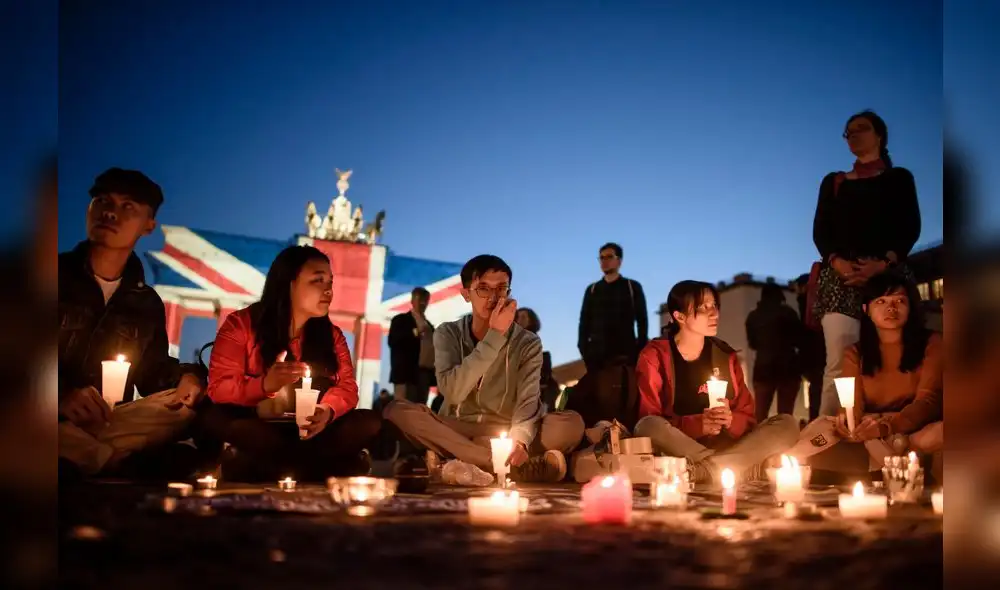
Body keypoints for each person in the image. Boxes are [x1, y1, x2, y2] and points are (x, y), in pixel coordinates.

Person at [58, 168, 208, 478]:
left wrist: (189, 378)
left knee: (180, 407)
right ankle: (113, 462)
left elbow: (152, 373)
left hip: (107, 420)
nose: (111, 212)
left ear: (149, 225)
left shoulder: (144, 301)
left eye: (128, 207)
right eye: (102, 201)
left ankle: (85, 455)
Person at [384, 255, 585, 482]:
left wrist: (519, 442)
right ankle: (497, 463)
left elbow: (528, 400)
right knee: (396, 411)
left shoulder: (527, 342)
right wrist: (495, 337)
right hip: (459, 427)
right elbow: (453, 392)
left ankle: (459, 458)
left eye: (501, 289)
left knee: (571, 424)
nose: (493, 297)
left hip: (508, 429)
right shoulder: (447, 333)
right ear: (466, 294)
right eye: (483, 289)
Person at [202, 245, 381, 481]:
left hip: (312, 429)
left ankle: (268, 467)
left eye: (330, 282)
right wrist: (265, 385)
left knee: (369, 421)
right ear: (290, 283)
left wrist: (326, 411)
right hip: (262, 424)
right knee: (229, 423)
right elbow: (220, 388)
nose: (328, 290)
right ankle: (327, 468)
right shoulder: (241, 325)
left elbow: (347, 387)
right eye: (318, 280)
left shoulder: (332, 336)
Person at [812, 110, 921, 418]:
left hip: (888, 278)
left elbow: (910, 226)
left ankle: (895, 425)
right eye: (849, 132)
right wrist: (838, 263)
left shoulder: (899, 178)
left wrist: (885, 262)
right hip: (840, 280)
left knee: (895, 355)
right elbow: (821, 231)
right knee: (838, 362)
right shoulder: (833, 183)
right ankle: (829, 437)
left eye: (861, 128)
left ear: (879, 135)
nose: (854, 135)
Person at [634, 281, 799, 484]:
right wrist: (698, 425)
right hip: (684, 448)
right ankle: (736, 467)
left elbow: (748, 417)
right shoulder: (656, 355)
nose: (714, 314)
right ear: (679, 316)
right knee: (647, 426)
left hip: (729, 445)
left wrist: (730, 420)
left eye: (714, 306)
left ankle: (708, 469)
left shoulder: (725, 355)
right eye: (704, 307)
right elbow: (649, 416)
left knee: (787, 424)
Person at [788, 271, 942, 480]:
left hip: (913, 427)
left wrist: (887, 427)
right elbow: (853, 404)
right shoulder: (855, 352)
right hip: (872, 429)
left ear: (910, 308)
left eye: (900, 301)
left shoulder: (932, 342)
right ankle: (893, 460)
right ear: (866, 309)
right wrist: (847, 420)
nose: (891, 308)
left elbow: (928, 401)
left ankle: (895, 459)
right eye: (881, 301)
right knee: (822, 431)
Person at [578, 242, 649, 372]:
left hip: (625, 355)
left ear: (619, 261)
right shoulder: (592, 290)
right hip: (597, 358)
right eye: (602, 258)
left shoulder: (632, 287)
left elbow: (642, 321)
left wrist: (638, 351)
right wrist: (585, 351)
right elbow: (584, 324)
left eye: (609, 257)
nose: (604, 261)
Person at [745, 283, 801, 422]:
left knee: (760, 414)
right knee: (785, 415)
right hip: (788, 366)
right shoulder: (788, 313)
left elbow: (752, 344)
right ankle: (785, 440)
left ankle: (758, 441)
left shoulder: (753, 316)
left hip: (763, 367)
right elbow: (799, 338)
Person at [388, 287, 435, 404]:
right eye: (420, 299)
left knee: (419, 411)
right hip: (406, 374)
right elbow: (393, 341)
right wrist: (414, 332)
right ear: (412, 300)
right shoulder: (401, 320)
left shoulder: (430, 326)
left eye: (425, 300)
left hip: (424, 375)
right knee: (403, 410)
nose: (423, 303)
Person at [515, 307, 560, 411]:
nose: (519, 319)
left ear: (531, 320)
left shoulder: (530, 339)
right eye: (518, 317)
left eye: (523, 317)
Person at [794, 273, 826, 421]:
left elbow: (805, 331)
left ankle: (817, 422)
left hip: (813, 354)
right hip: (816, 353)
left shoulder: (807, 302)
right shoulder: (809, 302)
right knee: (818, 389)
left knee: (816, 390)